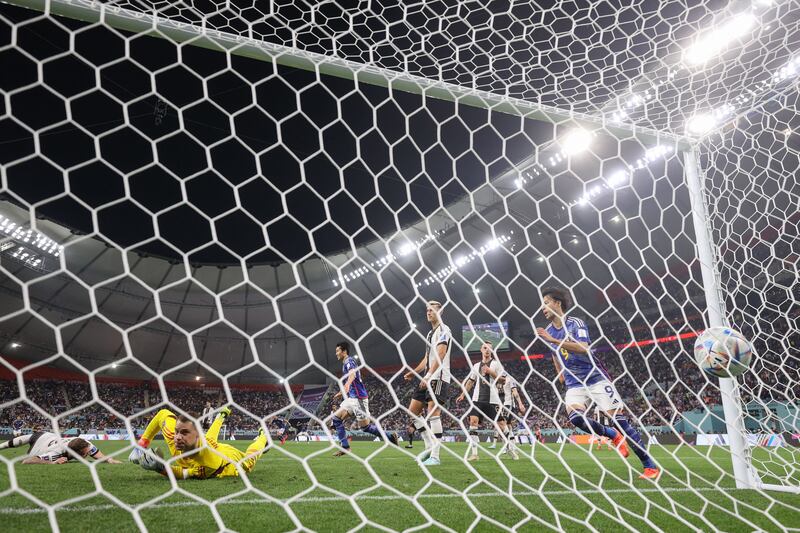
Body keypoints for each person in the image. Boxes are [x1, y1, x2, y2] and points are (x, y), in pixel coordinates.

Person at [537, 287, 660, 480]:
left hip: (594, 378)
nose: (542, 307)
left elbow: (583, 348)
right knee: (576, 418)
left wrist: (553, 340)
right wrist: (560, 372)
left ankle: (649, 466)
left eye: (546, 302)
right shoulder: (549, 331)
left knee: (620, 420)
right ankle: (611, 435)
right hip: (573, 383)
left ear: (557, 303)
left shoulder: (574, 323)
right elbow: (554, 353)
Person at [129, 407, 267, 479]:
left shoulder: (207, 461)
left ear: (197, 436)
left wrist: (161, 468)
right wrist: (141, 446)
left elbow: (182, 474)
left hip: (228, 460)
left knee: (251, 457)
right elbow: (163, 414)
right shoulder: (176, 438)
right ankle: (222, 415)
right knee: (211, 438)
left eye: (184, 433)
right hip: (208, 443)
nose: (177, 437)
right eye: (177, 431)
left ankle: (263, 436)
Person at [404, 300, 453, 466]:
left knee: (433, 412)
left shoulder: (444, 330)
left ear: (440, 312)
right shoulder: (429, 334)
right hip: (427, 376)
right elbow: (427, 358)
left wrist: (430, 374)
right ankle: (428, 446)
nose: (429, 312)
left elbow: (440, 354)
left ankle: (435, 456)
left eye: (432, 310)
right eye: (427, 310)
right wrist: (415, 372)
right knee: (412, 411)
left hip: (439, 376)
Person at [330, 341, 397, 456]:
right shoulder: (345, 363)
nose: (336, 353)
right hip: (352, 398)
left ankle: (390, 436)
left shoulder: (349, 361)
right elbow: (351, 380)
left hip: (359, 399)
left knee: (365, 427)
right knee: (336, 419)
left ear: (344, 351)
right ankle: (345, 447)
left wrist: (346, 386)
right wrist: (343, 391)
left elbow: (353, 375)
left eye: (337, 351)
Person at [456, 341, 503, 461]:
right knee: (473, 422)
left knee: (502, 425)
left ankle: (510, 447)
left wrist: (491, 372)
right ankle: (474, 453)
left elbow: (503, 380)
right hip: (477, 399)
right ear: (481, 350)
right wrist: (463, 394)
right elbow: (470, 381)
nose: (487, 350)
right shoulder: (476, 366)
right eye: (485, 348)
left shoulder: (496, 364)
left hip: (492, 399)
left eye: (489, 348)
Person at [0, 431, 120, 464]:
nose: (88, 454)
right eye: (85, 453)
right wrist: (52, 463)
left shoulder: (85, 443)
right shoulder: (57, 453)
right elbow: (27, 461)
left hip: (49, 436)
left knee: (22, 439)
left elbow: (97, 454)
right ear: (76, 453)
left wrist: (109, 460)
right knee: (18, 441)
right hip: (39, 442)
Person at [497, 369, 526, 460]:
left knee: (502, 426)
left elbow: (515, 392)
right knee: (508, 426)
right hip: (504, 405)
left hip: (507, 405)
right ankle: (513, 447)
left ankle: (507, 448)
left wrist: (520, 404)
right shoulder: (497, 380)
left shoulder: (509, 379)